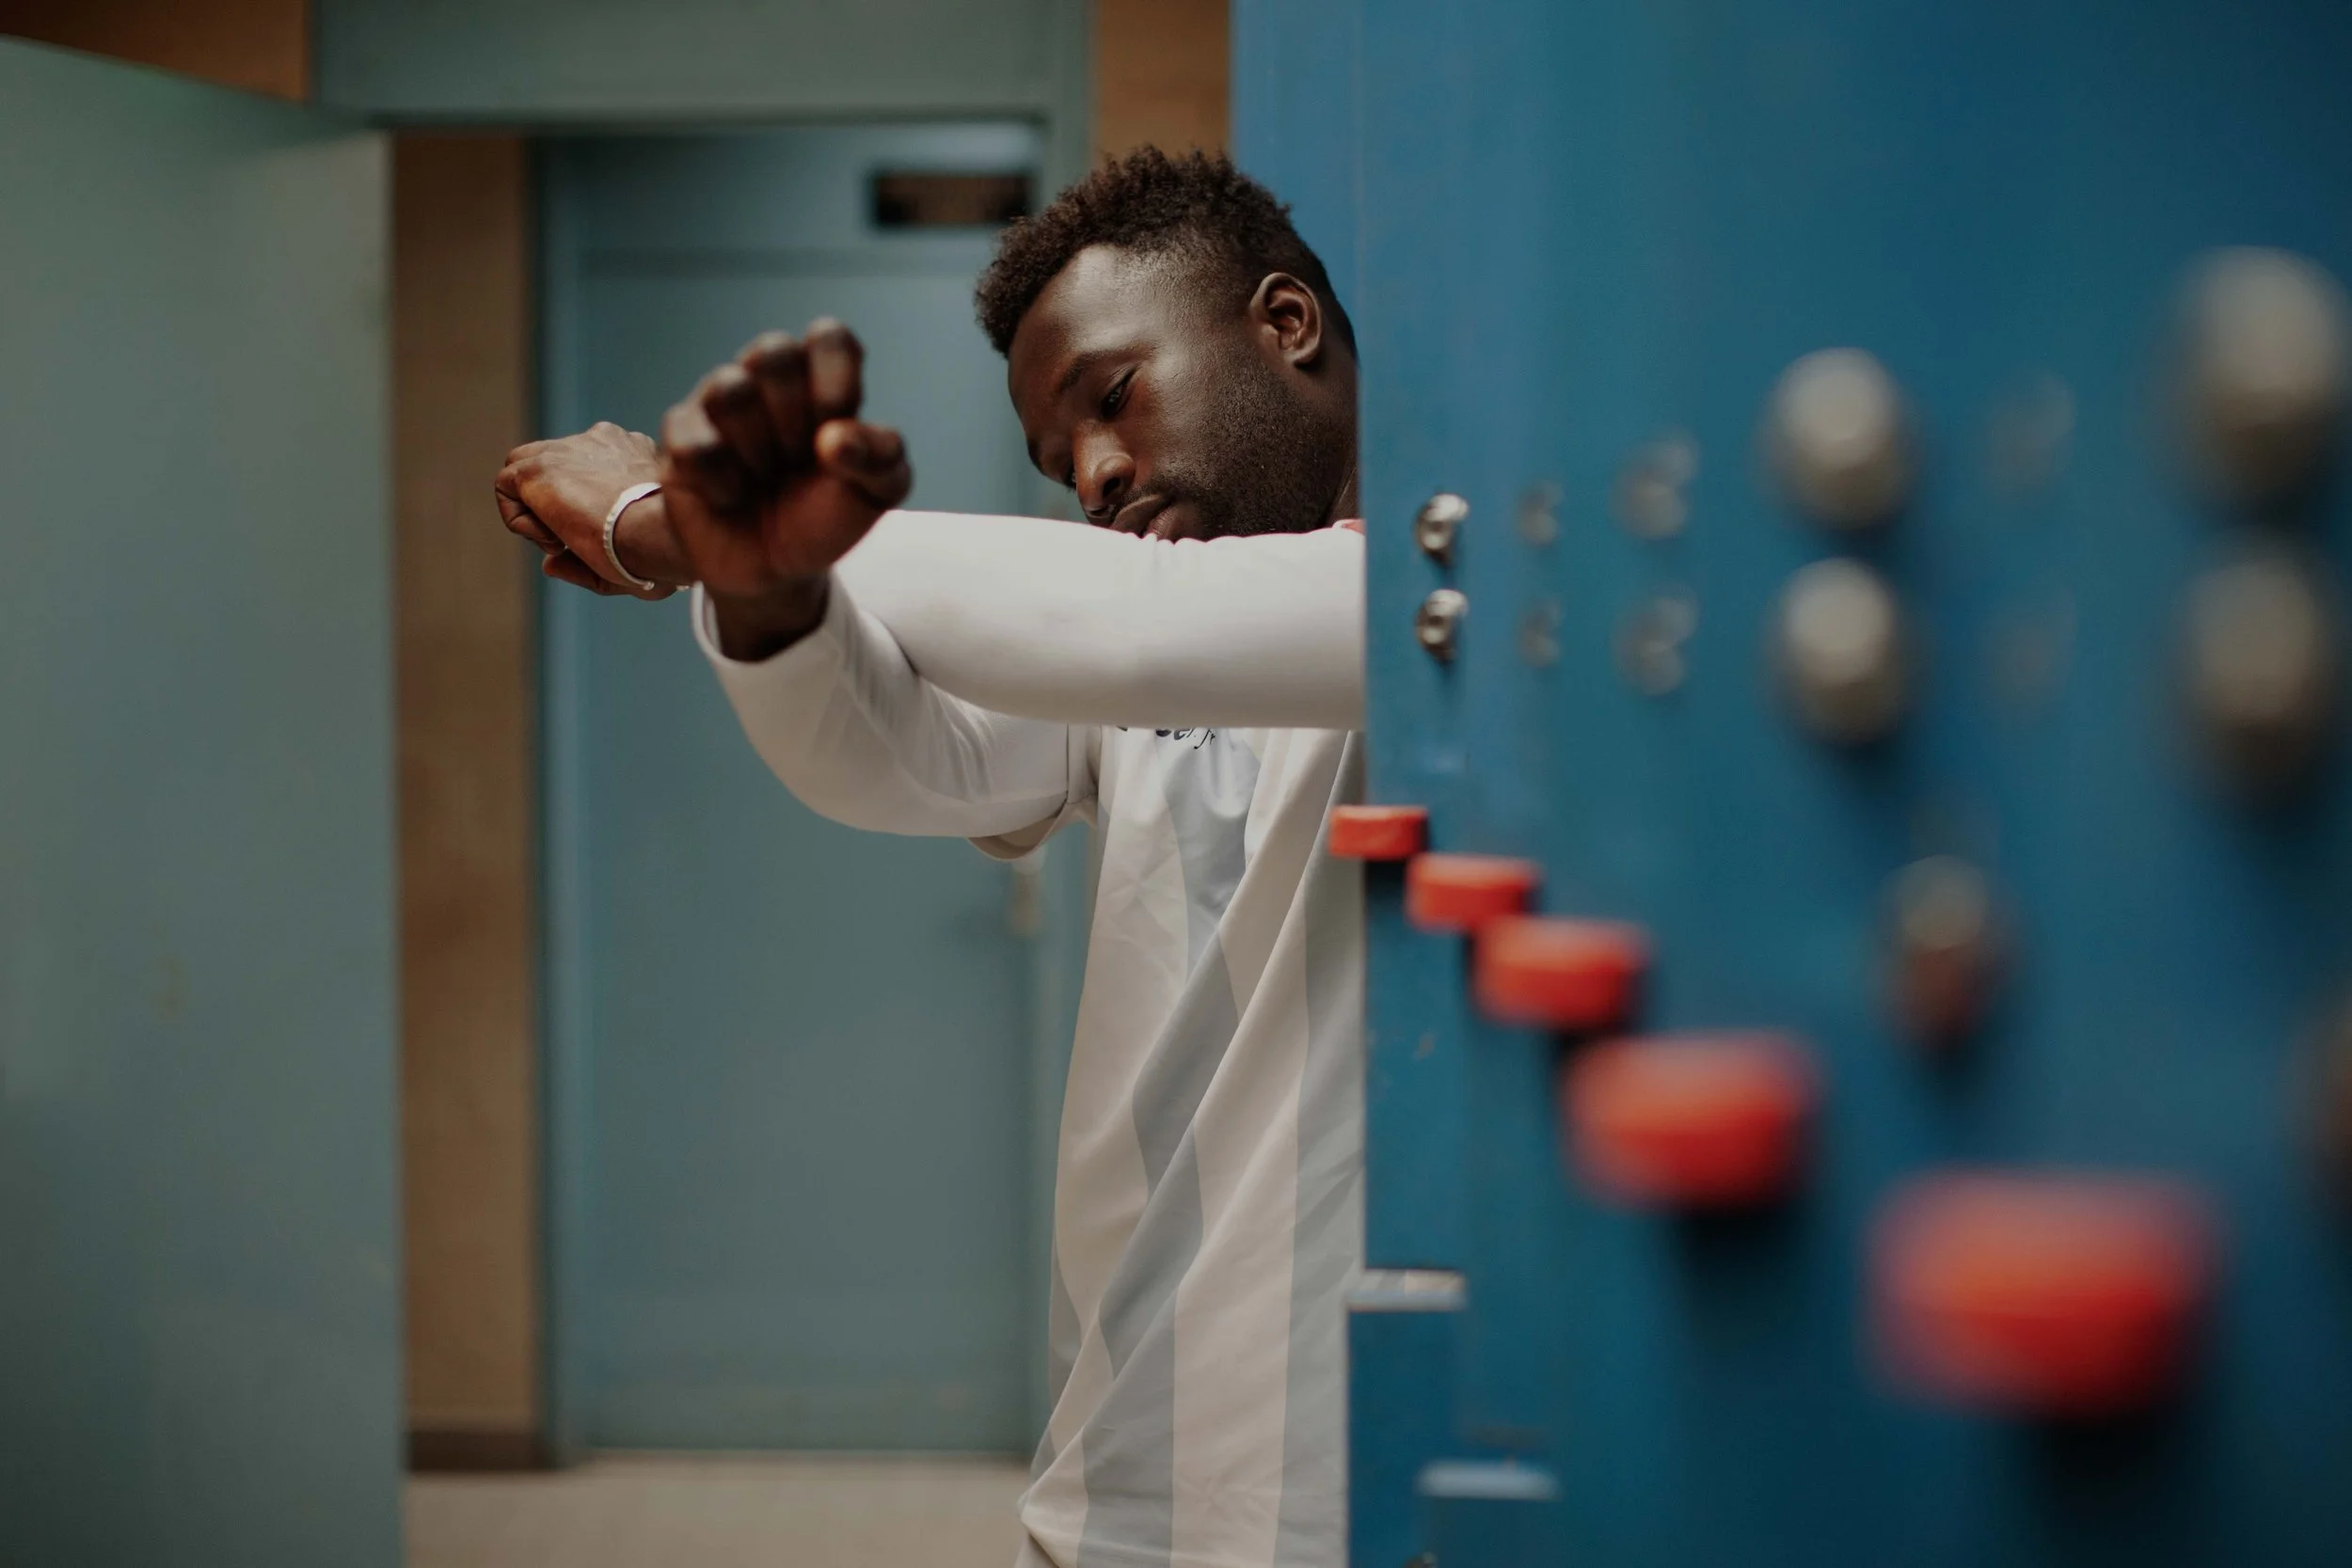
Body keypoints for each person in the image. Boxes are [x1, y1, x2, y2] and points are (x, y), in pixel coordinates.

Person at [496, 149, 1366, 1568]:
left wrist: (673, 521)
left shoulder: (1424, 596)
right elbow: (891, 752)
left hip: (1335, 1501)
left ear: (1285, 324)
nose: (1093, 471)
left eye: (1113, 395)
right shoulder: (1158, 645)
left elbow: (1147, 617)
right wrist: (767, 589)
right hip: (1117, 1472)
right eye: (1057, 454)